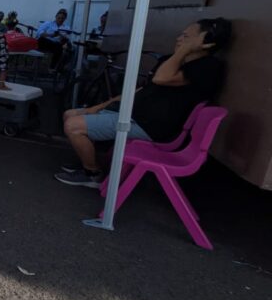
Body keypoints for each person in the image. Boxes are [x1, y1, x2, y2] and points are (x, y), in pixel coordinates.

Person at [55, 18, 232, 188]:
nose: (179, 39)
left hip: (151, 126)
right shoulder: (170, 60)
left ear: (205, 42)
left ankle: (92, 174)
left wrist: (183, 51)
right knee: (70, 114)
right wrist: (98, 107)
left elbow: (162, 79)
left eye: (186, 37)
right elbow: (140, 90)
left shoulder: (207, 66)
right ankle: (88, 161)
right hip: (134, 115)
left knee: (73, 126)